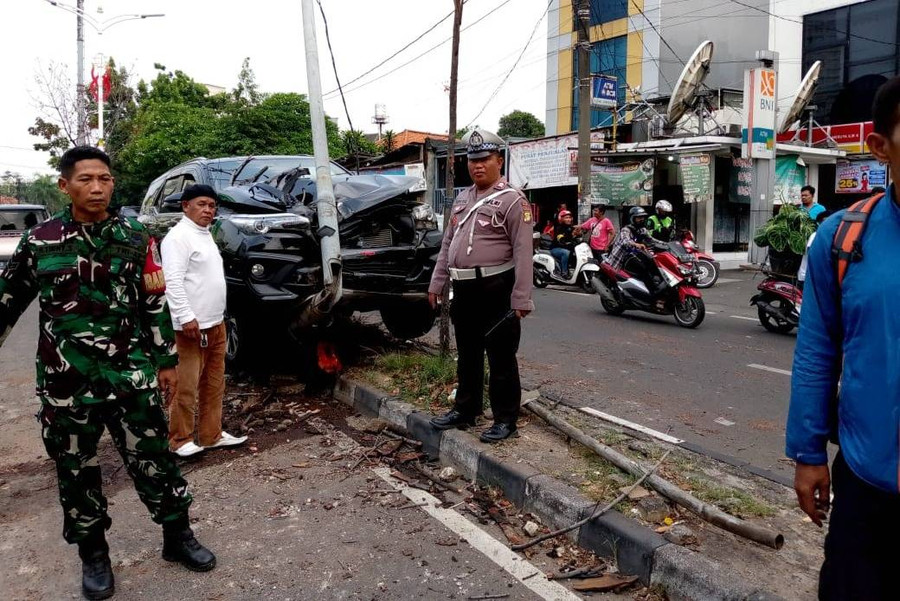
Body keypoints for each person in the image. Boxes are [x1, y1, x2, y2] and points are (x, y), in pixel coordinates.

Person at [0, 147, 215, 600]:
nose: (96, 187)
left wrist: (166, 361)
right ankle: (93, 554)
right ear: (65, 185)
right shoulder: (40, 240)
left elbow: (154, 303)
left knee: (154, 460)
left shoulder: (135, 237)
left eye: (104, 178)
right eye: (85, 180)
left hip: (130, 375)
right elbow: (7, 302)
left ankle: (178, 538)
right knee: (76, 470)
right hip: (66, 383)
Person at [786, 75, 900, 600]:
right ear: (880, 147)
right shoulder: (840, 237)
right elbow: (816, 354)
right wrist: (808, 452)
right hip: (867, 481)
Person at [427, 128, 533, 443]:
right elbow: (448, 243)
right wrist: (437, 282)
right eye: (472, 160)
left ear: (499, 160)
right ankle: (466, 409)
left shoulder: (514, 200)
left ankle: (505, 420)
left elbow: (524, 252)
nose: (477, 166)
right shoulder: (462, 199)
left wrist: (521, 298)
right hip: (465, 290)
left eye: (485, 159)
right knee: (468, 353)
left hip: (496, 287)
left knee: (501, 357)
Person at [161, 184, 247, 458]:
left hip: (215, 323)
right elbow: (172, 282)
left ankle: (211, 435)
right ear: (185, 205)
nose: (208, 210)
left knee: (213, 383)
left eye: (212, 206)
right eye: (202, 204)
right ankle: (180, 439)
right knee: (186, 385)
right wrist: (186, 317)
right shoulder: (178, 238)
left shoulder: (205, 235)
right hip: (191, 327)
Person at [604, 206, 665, 294]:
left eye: (643, 217)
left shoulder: (642, 230)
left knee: (654, 263)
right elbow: (626, 242)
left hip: (636, 255)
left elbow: (652, 240)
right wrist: (636, 244)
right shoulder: (626, 230)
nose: (642, 219)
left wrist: (667, 244)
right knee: (643, 269)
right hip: (623, 258)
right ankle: (652, 293)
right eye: (639, 218)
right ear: (633, 218)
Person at [550, 209, 579, 277]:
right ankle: (564, 272)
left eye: (569, 217)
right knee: (565, 252)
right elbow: (561, 239)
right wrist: (569, 238)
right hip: (556, 249)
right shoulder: (559, 228)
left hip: (566, 247)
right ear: (561, 218)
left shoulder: (571, 228)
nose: (569, 219)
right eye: (566, 218)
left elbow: (576, 237)